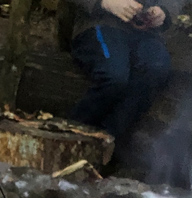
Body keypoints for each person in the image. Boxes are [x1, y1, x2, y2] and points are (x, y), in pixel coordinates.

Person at [68, 0, 185, 159]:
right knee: (114, 76)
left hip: (148, 34)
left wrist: (163, 12)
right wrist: (106, 3)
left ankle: (107, 143)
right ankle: (71, 134)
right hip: (100, 23)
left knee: (156, 69)